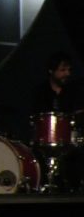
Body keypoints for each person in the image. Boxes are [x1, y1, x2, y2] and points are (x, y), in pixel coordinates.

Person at [29, 51, 83, 193]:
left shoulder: (74, 92)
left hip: (69, 141)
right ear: (51, 71)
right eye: (63, 70)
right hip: (44, 141)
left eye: (69, 70)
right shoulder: (40, 92)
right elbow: (36, 117)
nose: (67, 73)